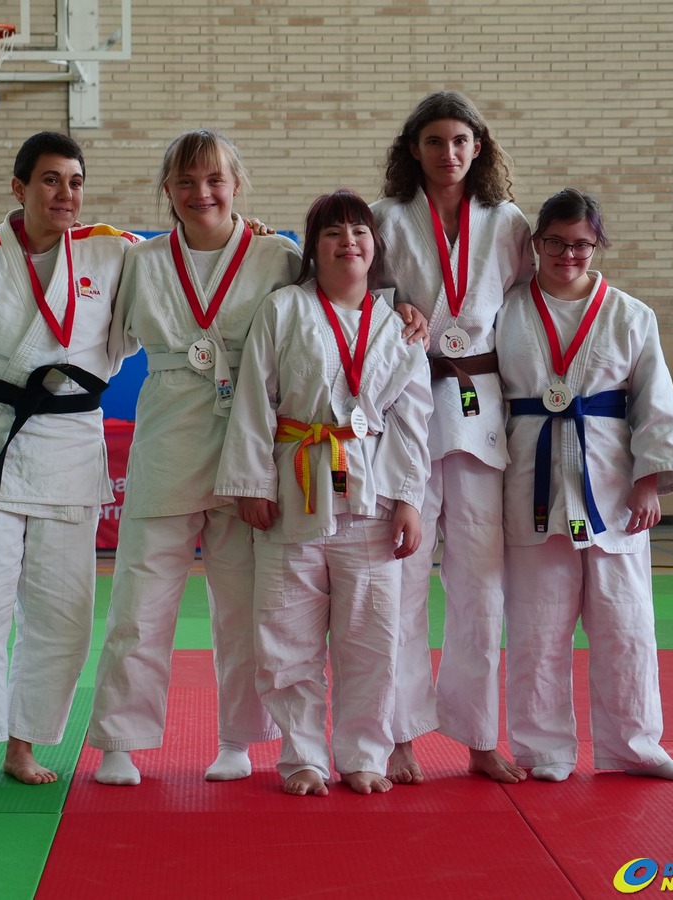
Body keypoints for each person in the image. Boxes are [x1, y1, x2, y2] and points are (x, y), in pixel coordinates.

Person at [0, 132, 140, 789]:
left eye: (75, 181)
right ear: (18, 188)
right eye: (50, 180)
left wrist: (256, 242)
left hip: (70, 442)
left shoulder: (113, 250)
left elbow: (182, 275)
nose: (65, 194)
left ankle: (23, 745)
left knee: (62, 614)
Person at [87, 129, 301, 786]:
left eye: (214, 180)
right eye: (185, 181)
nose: (200, 193)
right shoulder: (142, 260)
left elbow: (320, 328)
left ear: (237, 186)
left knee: (245, 605)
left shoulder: (277, 256)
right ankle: (121, 740)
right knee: (139, 599)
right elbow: (106, 340)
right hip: (167, 435)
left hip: (248, 439)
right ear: (167, 191)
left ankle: (240, 739)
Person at [216, 189, 434, 796]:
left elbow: (413, 421)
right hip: (294, 490)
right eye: (332, 233)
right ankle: (303, 757)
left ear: (375, 246)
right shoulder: (283, 308)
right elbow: (255, 398)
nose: (348, 242)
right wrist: (252, 484)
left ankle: (364, 754)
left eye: (358, 231)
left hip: (372, 498)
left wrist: (410, 500)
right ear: (313, 248)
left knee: (372, 637)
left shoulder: (397, 325)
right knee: (286, 633)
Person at [499, 188, 673, 783]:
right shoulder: (506, 310)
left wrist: (650, 482)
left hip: (612, 488)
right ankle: (544, 751)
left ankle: (635, 747)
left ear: (597, 245)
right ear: (536, 243)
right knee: (537, 629)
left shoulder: (630, 314)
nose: (568, 255)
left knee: (626, 625)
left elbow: (655, 405)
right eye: (556, 242)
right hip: (531, 484)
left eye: (581, 244)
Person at [371, 90, 534, 784]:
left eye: (461, 140)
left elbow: (530, 306)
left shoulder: (508, 221)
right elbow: (347, 295)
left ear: (479, 147)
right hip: (407, 408)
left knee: (480, 586)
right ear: (414, 148)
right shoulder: (385, 218)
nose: (449, 153)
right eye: (435, 141)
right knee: (401, 578)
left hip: (481, 411)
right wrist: (393, 306)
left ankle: (480, 737)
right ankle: (399, 734)